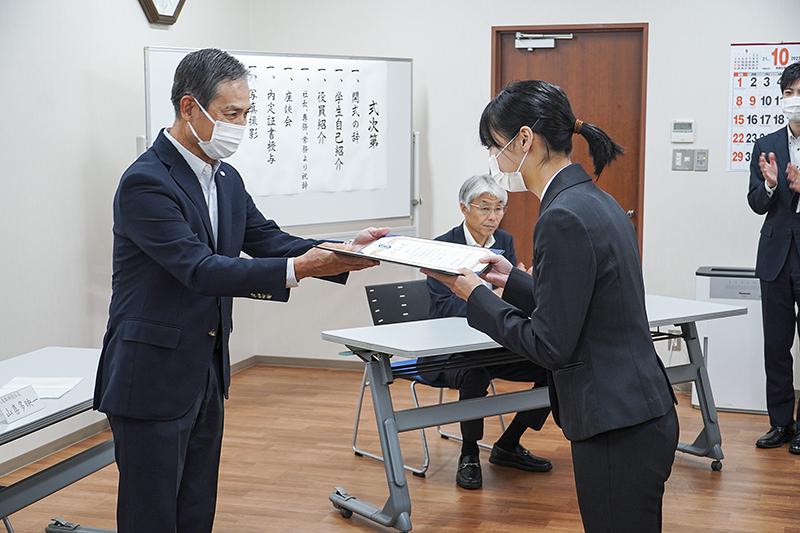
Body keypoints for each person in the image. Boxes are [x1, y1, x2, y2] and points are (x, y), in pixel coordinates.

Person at [93, 48, 386, 533]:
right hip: (151, 375)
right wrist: (300, 268)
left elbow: (267, 238)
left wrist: (341, 251)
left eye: (246, 113)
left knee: (196, 508)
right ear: (190, 107)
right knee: (151, 515)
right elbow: (199, 269)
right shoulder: (146, 182)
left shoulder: (225, 177)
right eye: (231, 114)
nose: (241, 125)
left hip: (206, 369)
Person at [424, 80, 678, 532]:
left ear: (524, 139)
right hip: (638, 408)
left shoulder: (560, 216)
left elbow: (550, 344)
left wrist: (475, 295)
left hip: (614, 421)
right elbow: (579, 299)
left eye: (494, 145)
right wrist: (512, 280)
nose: (494, 158)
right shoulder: (593, 199)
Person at [424, 174, 551, 490]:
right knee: (474, 372)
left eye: (499, 208)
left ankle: (509, 443)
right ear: (464, 208)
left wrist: (518, 288)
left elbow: (508, 300)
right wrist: (494, 297)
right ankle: (469, 454)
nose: (493, 217)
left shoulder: (503, 241)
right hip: (450, 351)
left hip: (493, 343)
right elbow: (446, 309)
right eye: (484, 208)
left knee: (555, 365)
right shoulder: (442, 247)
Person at [748, 61, 800, 454]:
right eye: (788, 93)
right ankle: (781, 423)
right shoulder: (766, 144)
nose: (794, 100)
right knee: (776, 346)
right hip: (776, 257)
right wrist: (768, 185)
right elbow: (755, 203)